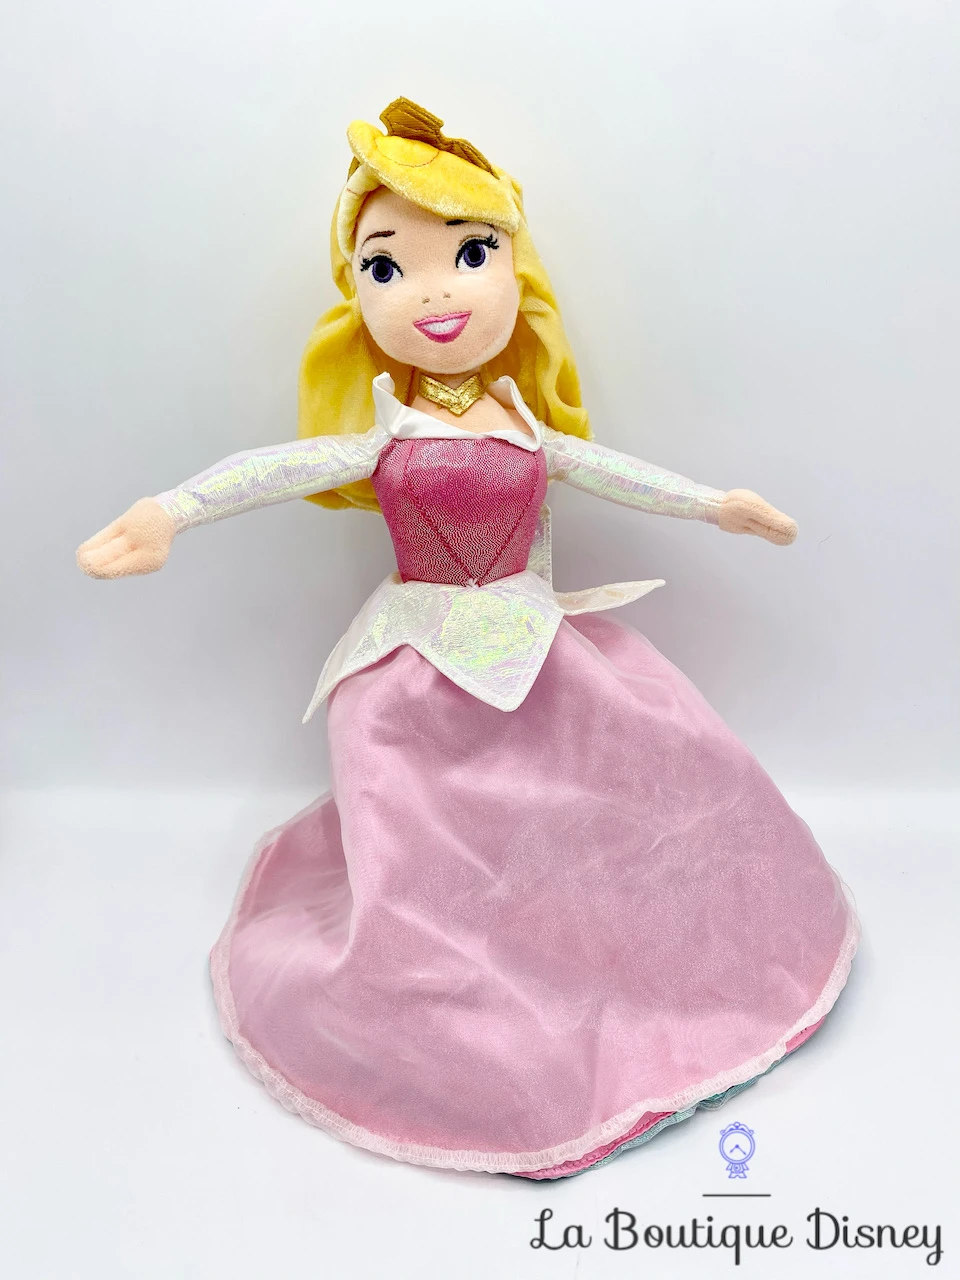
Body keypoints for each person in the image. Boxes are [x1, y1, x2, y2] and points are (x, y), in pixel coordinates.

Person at [77, 99, 858, 1178]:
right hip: (418, 663)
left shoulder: (530, 427)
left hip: (539, 646)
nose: (436, 291)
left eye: (471, 253)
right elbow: (280, 467)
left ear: (513, 273)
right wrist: (172, 509)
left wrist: (717, 503)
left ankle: (626, 953)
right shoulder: (384, 432)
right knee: (425, 840)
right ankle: (465, 998)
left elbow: (616, 472)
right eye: (388, 266)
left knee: (643, 774)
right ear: (358, 297)